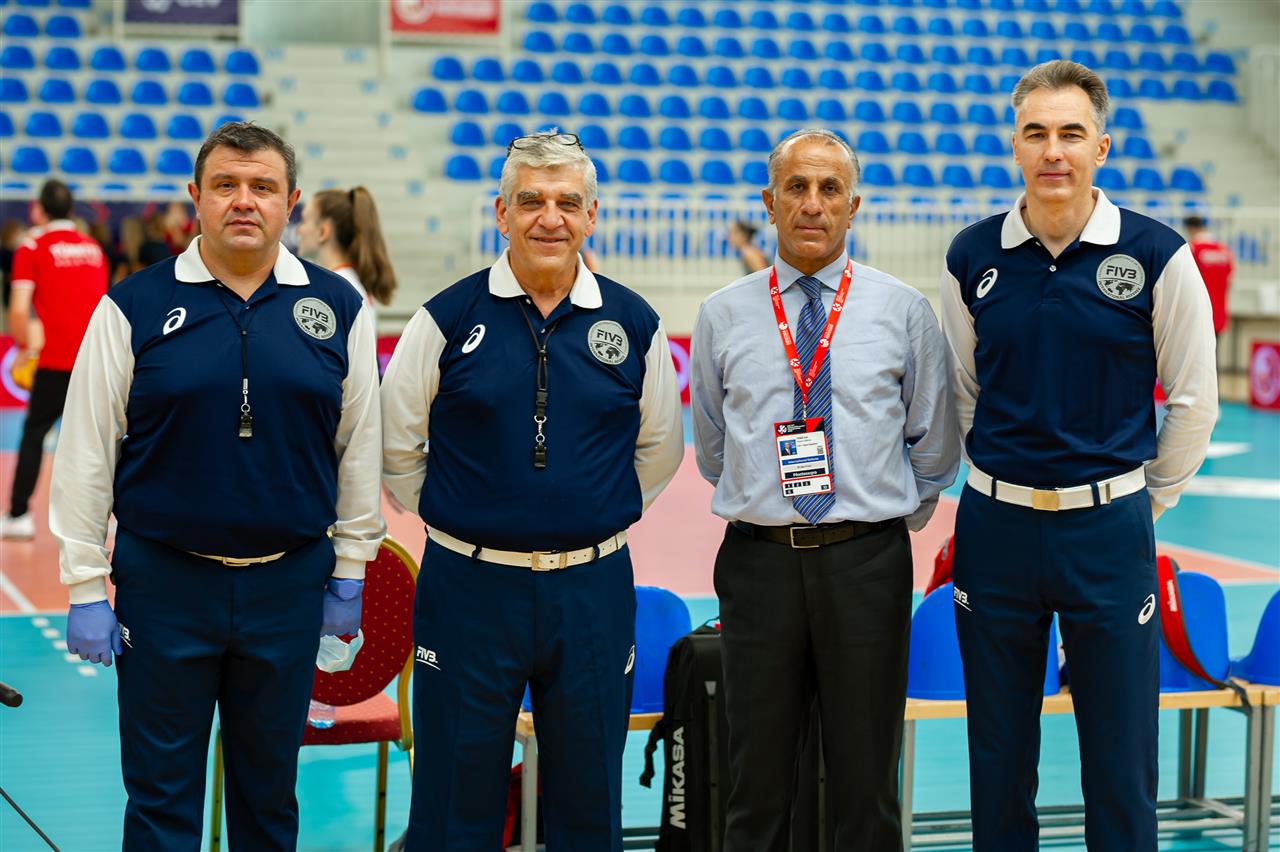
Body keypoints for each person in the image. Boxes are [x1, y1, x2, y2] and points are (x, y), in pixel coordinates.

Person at [48, 122, 384, 850]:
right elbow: (85, 453)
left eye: (262, 186)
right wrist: (83, 583)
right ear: (195, 198)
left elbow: (360, 449)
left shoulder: (339, 308)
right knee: (160, 799)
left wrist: (351, 571)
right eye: (225, 185)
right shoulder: (131, 306)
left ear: (291, 201)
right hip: (164, 585)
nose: (244, 201)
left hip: (288, 586)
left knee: (269, 799)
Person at [939, 60, 1217, 851]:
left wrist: (1137, 501)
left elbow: (1194, 401)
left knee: (1121, 760)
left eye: (1070, 133)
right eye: (1036, 133)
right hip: (996, 529)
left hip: (1109, 532)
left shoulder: (1158, 253)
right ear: (1014, 146)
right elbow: (964, 394)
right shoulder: (972, 255)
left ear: (1102, 145)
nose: (1052, 151)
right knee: (997, 756)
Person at [381, 129, 683, 850]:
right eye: (531, 201)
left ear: (591, 215)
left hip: (592, 592)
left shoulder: (633, 323)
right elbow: (397, 447)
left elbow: (659, 450)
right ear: (501, 213)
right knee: (454, 805)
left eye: (567, 202)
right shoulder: (445, 318)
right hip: (468, 591)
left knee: (589, 804)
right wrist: (467, 522)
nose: (550, 218)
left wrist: (590, 517)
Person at [690, 128, 959, 851]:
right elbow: (713, 446)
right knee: (754, 785)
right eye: (797, 187)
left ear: (853, 205)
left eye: (830, 188)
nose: (813, 204)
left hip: (866, 565)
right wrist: (768, 504)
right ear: (769, 202)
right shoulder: (722, 313)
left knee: (866, 787)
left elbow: (934, 445)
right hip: (759, 564)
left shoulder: (903, 311)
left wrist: (874, 519)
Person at [1, 181, 108, 540]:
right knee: (99, 442)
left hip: (53, 361)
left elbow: (19, 309)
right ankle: (107, 518)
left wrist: (23, 347)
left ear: (39, 209)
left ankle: (18, 516)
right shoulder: (93, 248)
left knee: (34, 434)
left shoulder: (31, 246)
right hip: (94, 360)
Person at [295, 186, 398, 319]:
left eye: (304, 221)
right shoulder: (342, 283)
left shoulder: (337, 288)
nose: (299, 230)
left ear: (323, 232)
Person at [1184, 215, 1233, 338]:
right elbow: (1229, 278)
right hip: (1218, 313)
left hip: (1197, 313)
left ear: (1190, 229)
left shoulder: (1192, 249)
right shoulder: (1224, 250)